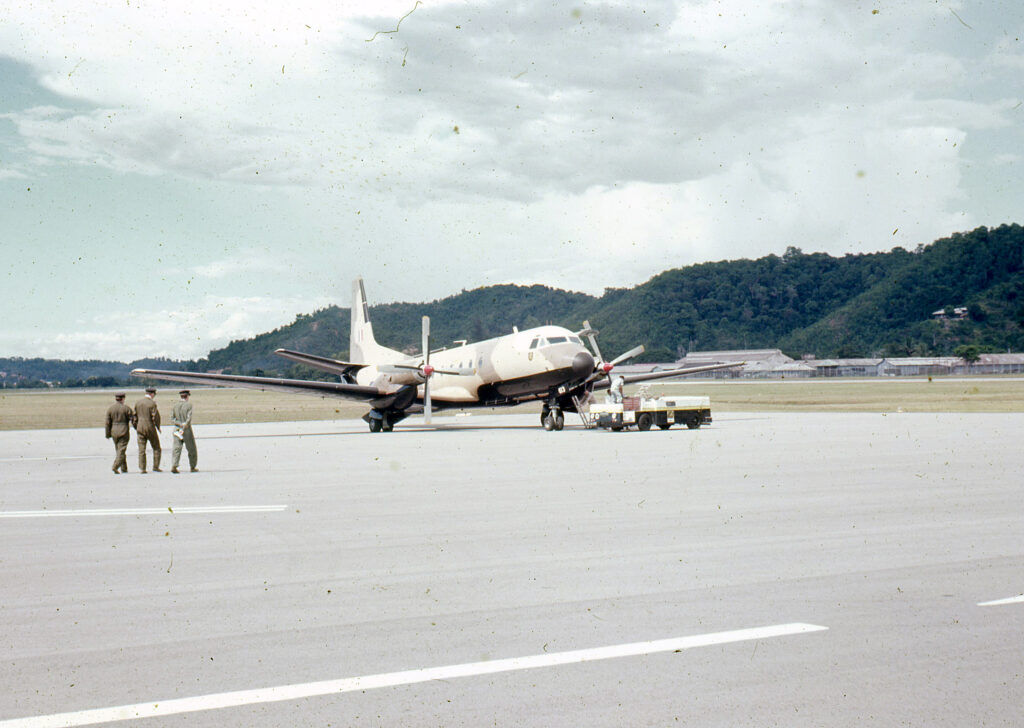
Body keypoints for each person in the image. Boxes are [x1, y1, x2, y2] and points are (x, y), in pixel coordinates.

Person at [134, 387, 162, 473]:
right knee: (156, 447)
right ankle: (155, 467)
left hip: (140, 427)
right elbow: (156, 417)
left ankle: (142, 468)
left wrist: (136, 426)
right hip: (150, 427)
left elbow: (134, 417)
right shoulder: (152, 403)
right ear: (152, 394)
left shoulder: (138, 402)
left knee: (141, 449)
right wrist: (158, 427)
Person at [104, 392, 134, 474]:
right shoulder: (126, 408)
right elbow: (133, 419)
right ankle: (115, 466)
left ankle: (124, 468)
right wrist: (136, 427)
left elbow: (107, 423)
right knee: (121, 450)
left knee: (119, 450)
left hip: (114, 431)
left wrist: (107, 434)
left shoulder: (110, 409)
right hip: (124, 431)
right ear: (123, 398)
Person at [171, 389, 198, 473]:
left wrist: (179, 424)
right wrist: (184, 425)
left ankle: (174, 465)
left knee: (176, 448)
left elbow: (172, 418)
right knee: (191, 448)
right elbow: (189, 418)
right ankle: (192, 466)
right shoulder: (189, 405)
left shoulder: (175, 405)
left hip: (177, 429)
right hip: (186, 430)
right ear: (187, 396)